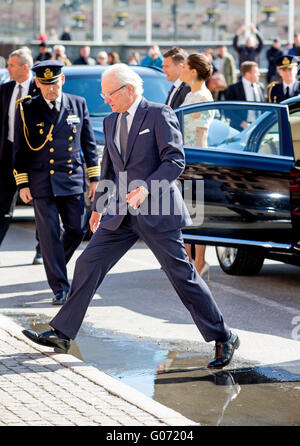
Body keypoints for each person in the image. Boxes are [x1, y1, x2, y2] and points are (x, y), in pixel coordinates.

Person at [22, 63, 240, 370]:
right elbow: (110, 167)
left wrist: (146, 190)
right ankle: (61, 332)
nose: (105, 100)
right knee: (88, 262)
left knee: (182, 278)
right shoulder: (111, 121)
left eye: (108, 94)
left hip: (157, 211)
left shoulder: (158, 114)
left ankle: (223, 336)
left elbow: (175, 160)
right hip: (120, 213)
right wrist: (98, 205)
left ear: (129, 90)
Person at [13, 60, 100, 305]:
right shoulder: (27, 108)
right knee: (50, 234)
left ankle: (55, 266)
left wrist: (94, 177)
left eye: (55, 83)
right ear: (38, 83)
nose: (52, 89)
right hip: (41, 180)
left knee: (76, 229)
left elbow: (89, 144)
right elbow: (19, 150)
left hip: (71, 177)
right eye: (46, 84)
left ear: (62, 80)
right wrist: (23, 183)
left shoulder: (77, 104)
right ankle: (61, 287)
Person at [0, 48, 41, 261]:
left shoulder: (40, 88)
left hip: (34, 157)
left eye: (11, 65)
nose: (7, 68)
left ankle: (41, 249)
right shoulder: (5, 90)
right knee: (3, 203)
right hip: (8, 155)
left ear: (25, 67)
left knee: (40, 205)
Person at [179, 53, 214, 279]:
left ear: (193, 71)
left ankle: (199, 262)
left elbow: (201, 134)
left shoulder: (202, 97)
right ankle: (191, 260)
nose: (181, 69)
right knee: (188, 212)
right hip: (184, 158)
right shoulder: (191, 95)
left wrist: (197, 166)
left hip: (194, 160)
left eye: (185, 66)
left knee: (196, 213)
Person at [224, 61, 266, 130]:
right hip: (240, 129)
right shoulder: (234, 88)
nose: (259, 74)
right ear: (247, 74)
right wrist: (242, 123)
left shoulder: (260, 87)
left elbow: (264, 107)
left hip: (259, 127)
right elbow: (227, 110)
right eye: (256, 72)